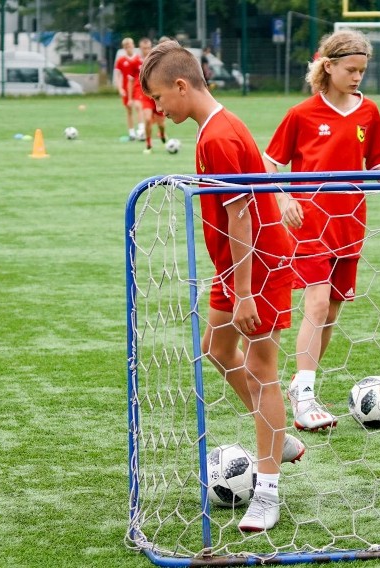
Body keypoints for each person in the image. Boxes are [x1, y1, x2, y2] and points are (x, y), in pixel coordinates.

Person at [140, 40, 305, 532]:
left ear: (182, 86)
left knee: (262, 367)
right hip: (236, 268)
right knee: (214, 346)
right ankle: (281, 438)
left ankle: (268, 492)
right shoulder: (214, 129)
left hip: (259, 267)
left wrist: (247, 291)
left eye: (158, 97)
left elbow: (241, 217)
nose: (157, 107)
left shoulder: (218, 136)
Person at [262, 29, 380, 432]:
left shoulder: (368, 112)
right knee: (317, 305)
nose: (357, 77)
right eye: (351, 69)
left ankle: (300, 384)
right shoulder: (301, 114)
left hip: (351, 222)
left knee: (333, 310)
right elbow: (268, 166)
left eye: (362, 71)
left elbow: (377, 160)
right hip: (309, 223)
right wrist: (286, 199)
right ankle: (304, 397)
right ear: (329, 66)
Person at [136, 38, 168, 153]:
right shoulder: (137, 62)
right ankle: (148, 144)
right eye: (144, 48)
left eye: (149, 48)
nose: (146, 50)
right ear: (140, 49)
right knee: (148, 119)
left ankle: (163, 135)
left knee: (161, 124)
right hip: (145, 97)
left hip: (157, 96)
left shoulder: (157, 62)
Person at [114, 37, 143, 140]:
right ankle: (132, 133)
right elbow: (117, 76)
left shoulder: (139, 59)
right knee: (129, 110)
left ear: (133, 45)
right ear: (124, 48)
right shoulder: (120, 61)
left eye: (130, 45)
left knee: (138, 106)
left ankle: (141, 130)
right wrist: (120, 89)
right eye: (126, 46)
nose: (128, 48)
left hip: (137, 87)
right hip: (126, 89)